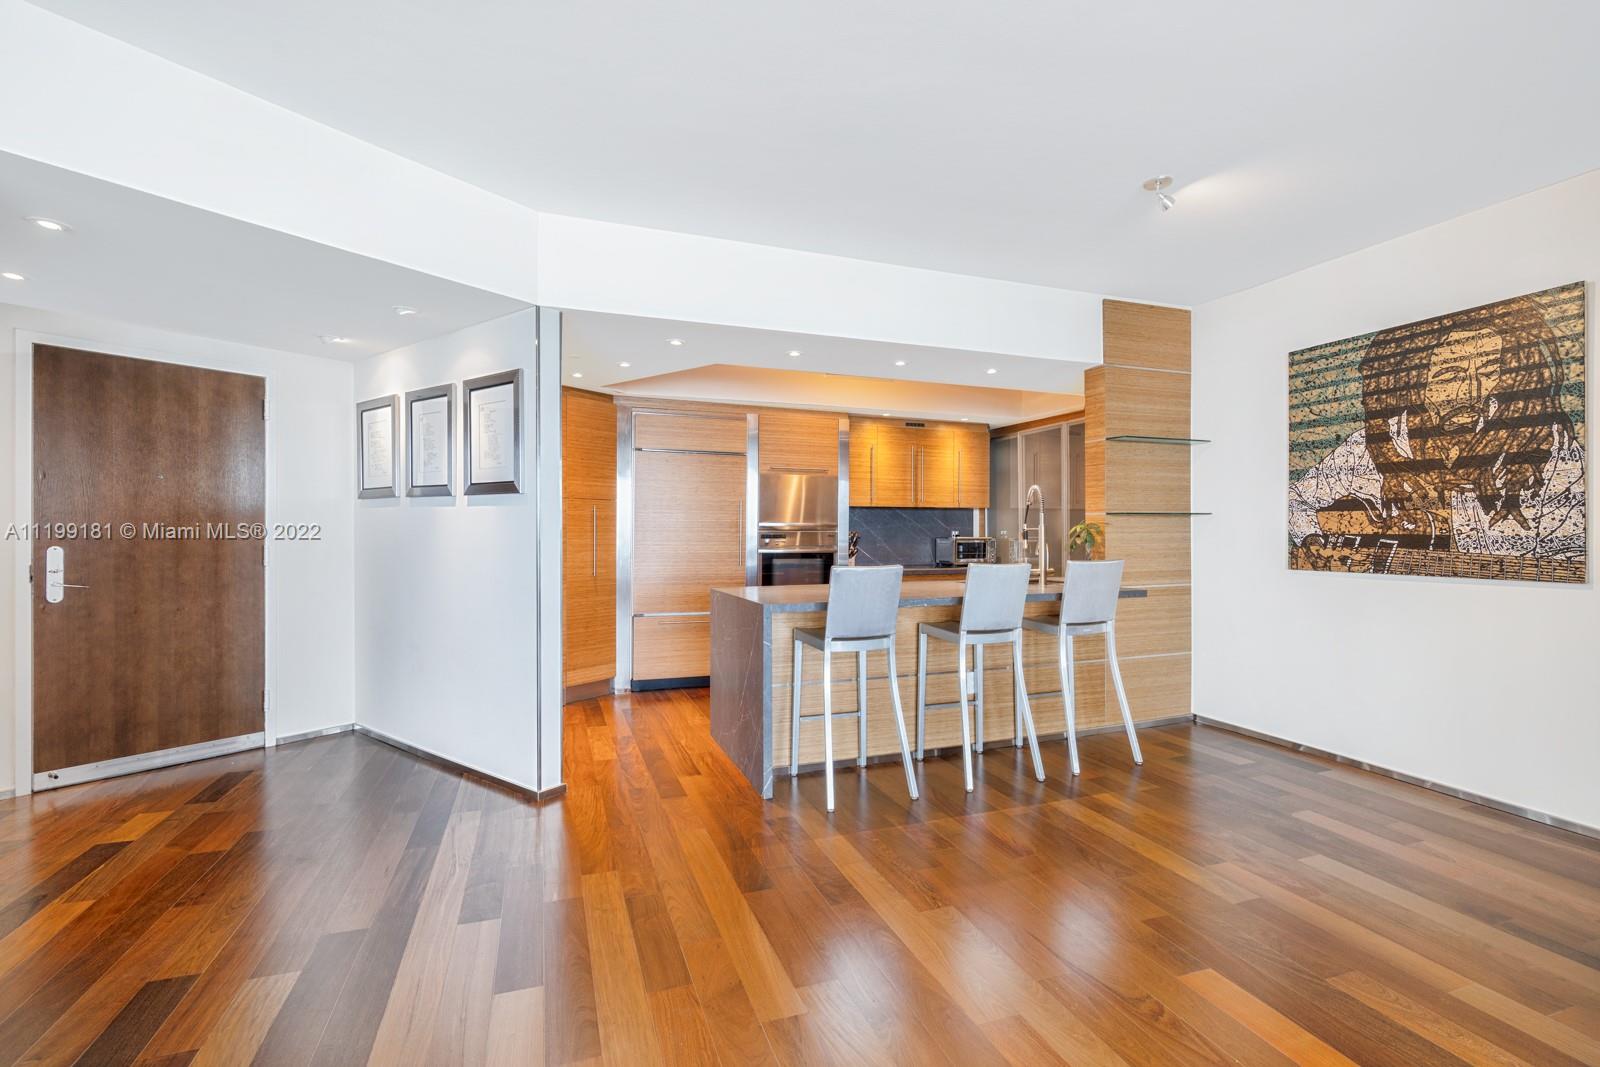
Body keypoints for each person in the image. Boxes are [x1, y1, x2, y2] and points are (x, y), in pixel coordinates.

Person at [1289, 295, 1584, 571]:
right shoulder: (1376, 445)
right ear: (1414, 382)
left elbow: (1576, 552)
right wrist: (1313, 544)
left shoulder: (1545, 442)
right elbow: (1293, 501)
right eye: (1451, 376)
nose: (1473, 392)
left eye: (1488, 371)